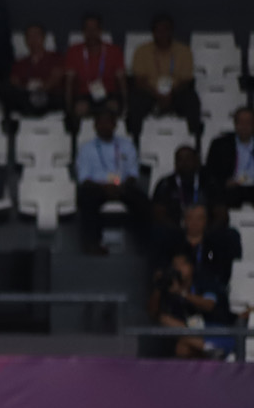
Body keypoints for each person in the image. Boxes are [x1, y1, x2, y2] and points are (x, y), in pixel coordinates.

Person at [74, 107, 150, 255]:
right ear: (95, 126)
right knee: (86, 196)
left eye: (108, 122)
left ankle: (144, 245)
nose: (105, 126)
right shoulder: (86, 148)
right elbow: (84, 179)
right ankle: (92, 244)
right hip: (97, 187)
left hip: (123, 186)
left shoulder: (126, 145)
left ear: (115, 125)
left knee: (142, 200)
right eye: (101, 123)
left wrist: (120, 187)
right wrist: (105, 187)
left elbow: (133, 174)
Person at [127, 14, 198, 134]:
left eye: (166, 30)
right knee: (136, 100)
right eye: (158, 30)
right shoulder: (142, 51)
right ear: (153, 32)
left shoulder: (184, 51)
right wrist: (157, 94)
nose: (162, 34)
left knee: (191, 100)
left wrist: (170, 94)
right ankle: (135, 139)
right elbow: (139, 80)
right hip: (150, 92)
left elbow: (186, 81)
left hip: (176, 92)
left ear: (172, 31)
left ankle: (194, 138)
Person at [62, 14, 126, 122]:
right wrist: (69, 108)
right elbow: (69, 83)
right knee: (80, 108)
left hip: (107, 94)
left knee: (112, 106)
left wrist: (124, 106)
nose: (91, 33)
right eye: (88, 29)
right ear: (83, 31)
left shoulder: (114, 51)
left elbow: (122, 81)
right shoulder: (74, 51)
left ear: (100, 30)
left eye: (94, 29)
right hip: (84, 95)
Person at [205, 105, 254, 209]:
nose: (244, 126)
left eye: (248, 123)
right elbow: (210, 172)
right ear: (235, 124)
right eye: (241, 122)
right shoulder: (220, 144)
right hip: (232, 187)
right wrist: (224, 182)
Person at [0, 24, 63, 118]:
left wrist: (42, 88)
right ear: (25, 40)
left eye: (36, 36)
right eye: (29, 36)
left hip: (48, 97)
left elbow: (57, 76)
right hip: (27, 97)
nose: (33, 40)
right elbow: (15, 82)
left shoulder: (56, 58)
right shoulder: (20, 64)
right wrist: (28, 88)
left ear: (44, 38)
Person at [150, 143, 209, 228]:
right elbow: (158, 212)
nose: (184, 163)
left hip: (205, 230)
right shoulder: (166, 183)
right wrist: (176, 229)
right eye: (180, 159)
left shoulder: (208, 182)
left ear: (196, 161)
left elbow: (220, 212)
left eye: (188, 159)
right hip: (173, 229)